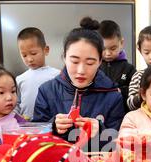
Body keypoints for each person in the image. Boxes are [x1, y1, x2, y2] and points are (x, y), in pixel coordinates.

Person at [33, 20, 124, 151]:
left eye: (90, 63)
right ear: (64, 57)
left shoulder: (113, 96)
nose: (81, 70)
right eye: (75, 61)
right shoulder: (46, 91)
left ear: (100, 61)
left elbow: (119, 146)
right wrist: (52, 126)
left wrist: (100, 131)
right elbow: (35, 141)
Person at [79, 17, 136, 114]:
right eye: (103, 49)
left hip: (122, 115)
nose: (108, 53)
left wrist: (119, 91)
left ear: (121, 43)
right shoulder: (93, 66)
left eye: (113, 48)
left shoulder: (129, 68)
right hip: (95, 113)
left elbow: (134, 93)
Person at [15, 27, 60, 120]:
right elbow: (16, 104)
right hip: (25, 125)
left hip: (49, 124)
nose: (29, 59)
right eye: (24, 55)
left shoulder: (57, 75)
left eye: (33, 53)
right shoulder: (19, 79)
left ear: (46, 50)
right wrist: (16, 117)